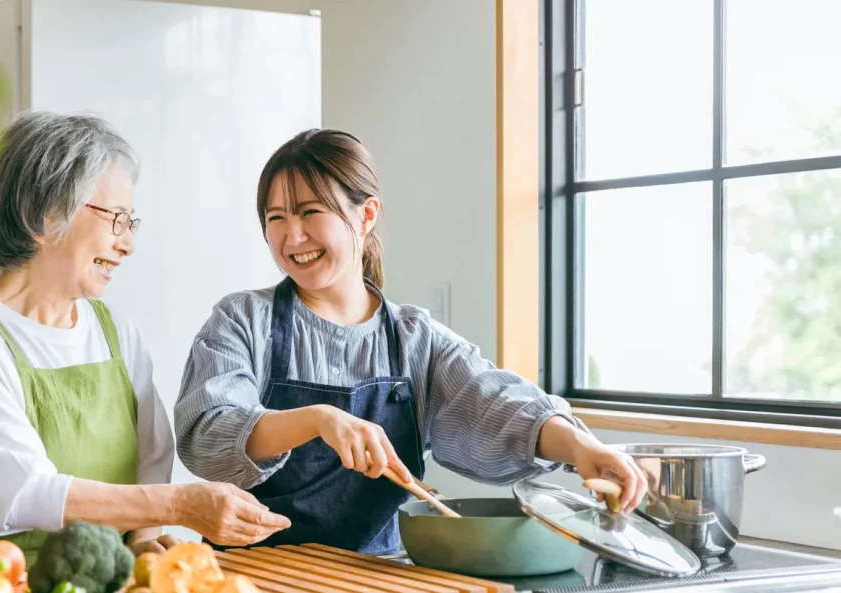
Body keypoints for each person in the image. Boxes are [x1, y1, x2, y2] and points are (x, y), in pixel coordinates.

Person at [173, 129, 648, 554]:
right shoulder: (241, 320)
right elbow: (208, 433)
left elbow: (494, 403)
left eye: (310, 212)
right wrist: (318, 420)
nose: (292, 235)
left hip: (383, 575)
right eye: (275, 218)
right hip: (252, 577)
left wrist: (580, 447)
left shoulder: (415, 339)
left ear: (367, 215)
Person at [0, 112, 290, 584]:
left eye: (131, 222)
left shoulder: (116, 329)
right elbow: (21, 493)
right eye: (117, 219)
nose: (128, 245)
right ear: (44, 216)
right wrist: (182, 505)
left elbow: (152, 456)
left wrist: (144, 538)